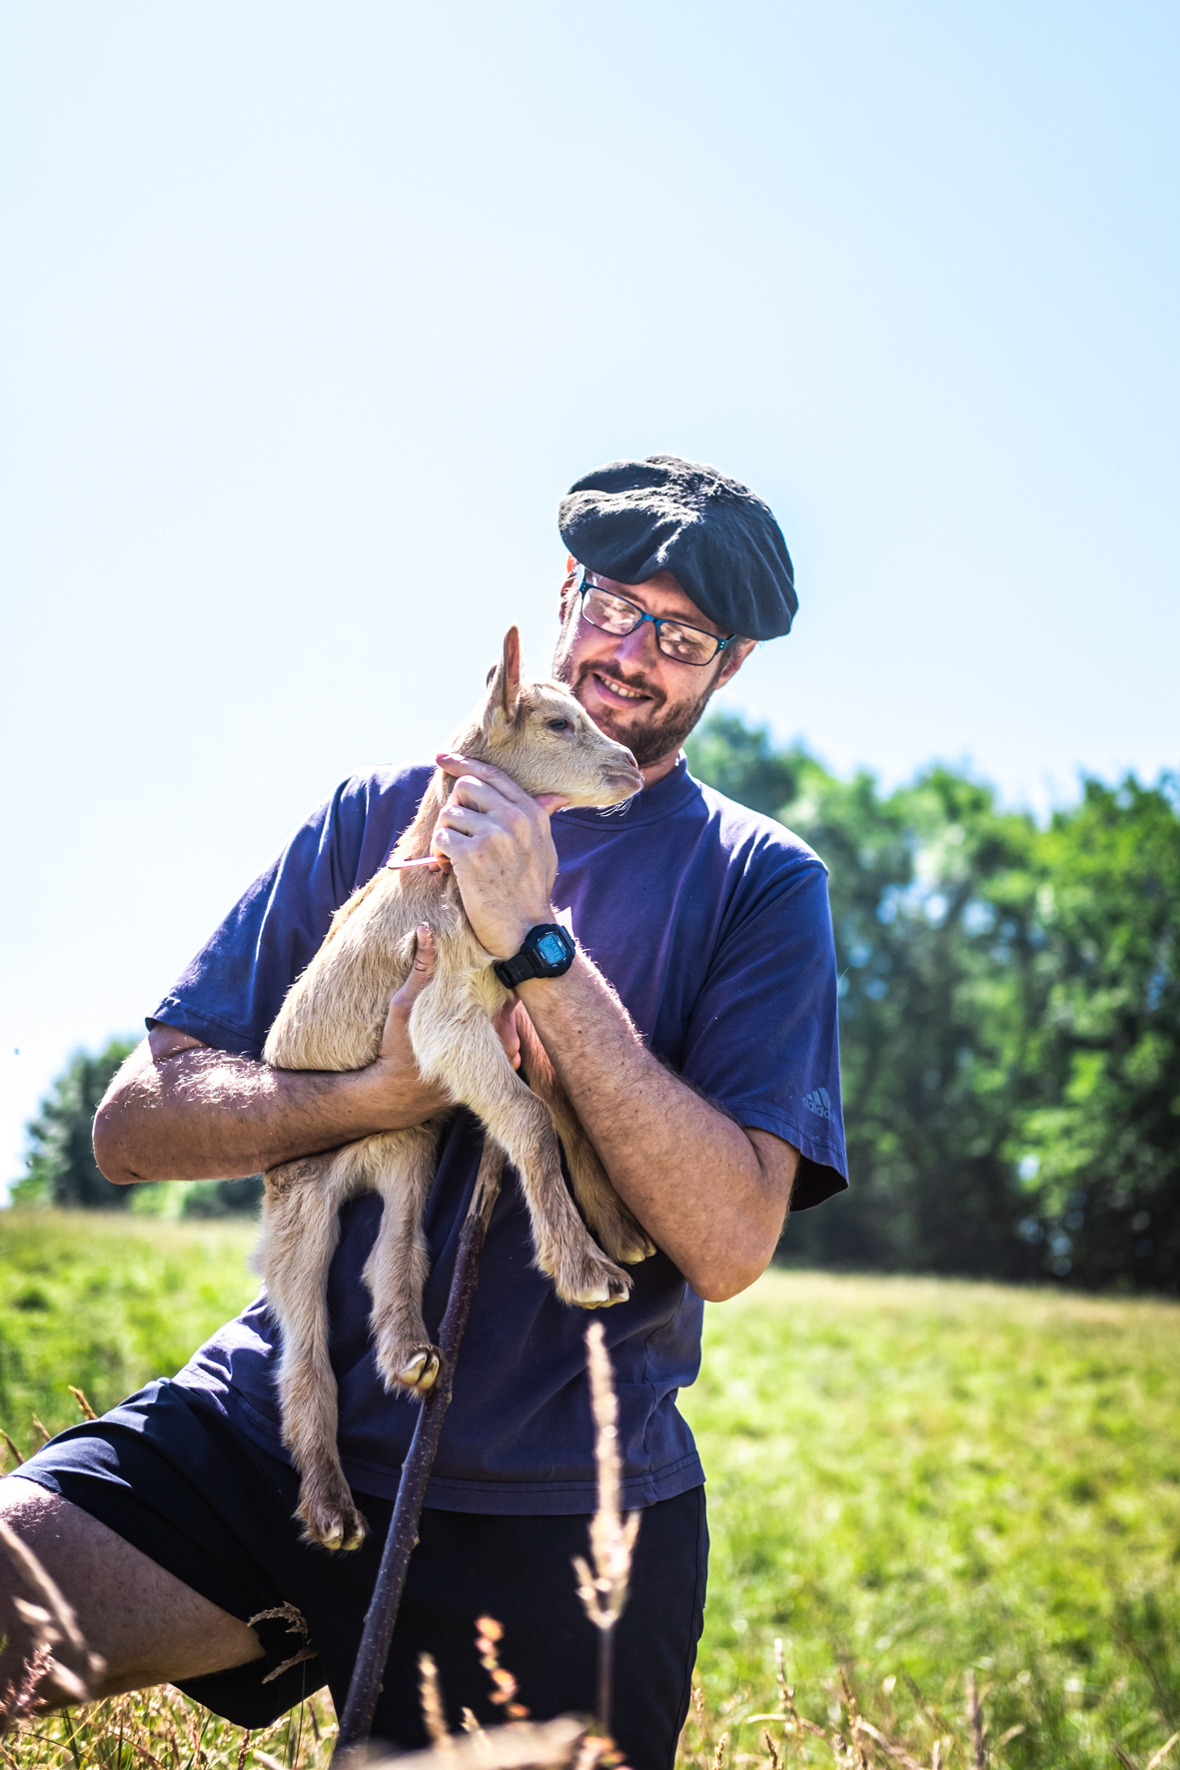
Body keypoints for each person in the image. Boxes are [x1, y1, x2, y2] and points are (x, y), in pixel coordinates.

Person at [0, 455, 847, 1769]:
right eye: (618, 605)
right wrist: (366, 1093)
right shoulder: (375, 814)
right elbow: (136, 1121)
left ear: (728, 668)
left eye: (682, 636)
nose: (635, 653)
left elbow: (730, 1238)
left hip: (556, 1516)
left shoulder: (759, 885)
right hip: (273, 1428)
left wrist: (538, 947)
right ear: (565, 592)